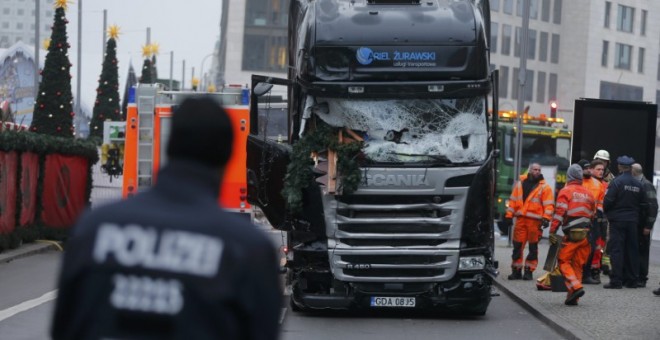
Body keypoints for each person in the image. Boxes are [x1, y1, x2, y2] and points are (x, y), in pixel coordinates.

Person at [51, 97, 282, 340]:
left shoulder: (94, 229)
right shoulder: (247, 249)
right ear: (227, 157)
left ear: (169, 145)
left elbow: (65, 328)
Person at [548, 164, 596, 306]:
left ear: (569, 176)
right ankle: (573, 297)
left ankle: (576, 288)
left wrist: (552, 231)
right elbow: (593, 214)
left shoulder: (566, 191)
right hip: (586, 236)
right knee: (577, 266)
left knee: (563, 261)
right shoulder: (589, 193)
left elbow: (559, 214)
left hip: (571, 236)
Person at [504, 162, 554, 281]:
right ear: (529, 170)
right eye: (534, 169)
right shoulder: (520, 184)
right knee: (517, 247)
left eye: (538, 170)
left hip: (534, 223)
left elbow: (549, 205)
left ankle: (528, 271)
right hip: (521, 220)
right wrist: (508, 215)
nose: (537, 172)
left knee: (533, 248)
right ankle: (516, 271)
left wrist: (546, 218)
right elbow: (512, 201)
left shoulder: (544, 187)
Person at [603, 155, 647, 289]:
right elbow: (643, 205)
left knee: (617, 250)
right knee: (632, 250)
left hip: (617, 221)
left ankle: (616, 280)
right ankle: (632, 280)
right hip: (632, 221)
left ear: (620, 167)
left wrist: (609, 215)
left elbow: (608, 201)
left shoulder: (616, 182)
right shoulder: (638, 184)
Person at [577, 159, 606, 284]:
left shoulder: (598, 184)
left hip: (593, 220)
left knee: (591, 247)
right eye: (586, 168)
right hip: (577, 219)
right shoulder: (576, 182)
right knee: (576, 247)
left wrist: (599, 216)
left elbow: (600, 203)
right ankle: (576, 273)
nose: (588, 170)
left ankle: (586, 274)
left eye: (589, 168)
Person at [631, 163, 658, 288]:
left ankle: (642, 277)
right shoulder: (639, 183)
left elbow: (653, 206)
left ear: (634, 172)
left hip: (643, 225)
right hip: (637, 223)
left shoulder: (646, 185)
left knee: (642, 251)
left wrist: (648, 225)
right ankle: (636, 276)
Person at [589, 159, 609, 281]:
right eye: (598, 169)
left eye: (602, 169)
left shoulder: (606, 185)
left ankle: (595, 271)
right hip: (591, 219)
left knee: (599, 247)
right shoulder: (587, 183)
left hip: (602, 221)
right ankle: (588, 270)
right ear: (592, 170)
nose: (601, 172)